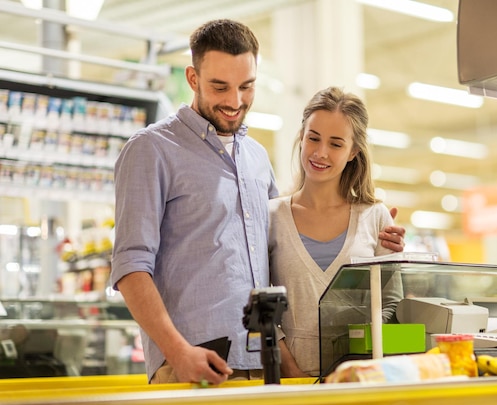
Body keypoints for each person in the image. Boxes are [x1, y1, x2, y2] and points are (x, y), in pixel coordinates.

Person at [110, 19, 406, 385]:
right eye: (220, 87)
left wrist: (379, 245)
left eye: (246, 86)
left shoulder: (255, 157)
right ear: (192, 78)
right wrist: (177, 352)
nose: (235, 102)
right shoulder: (151, 150)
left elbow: (274, 262)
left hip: (266, 366)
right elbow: (129, 267)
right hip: (194, 362)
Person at [268, 87, 404, 378]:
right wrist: (292, 371)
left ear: (353, 151)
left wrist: (357, 360)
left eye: (336, 144)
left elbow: (390, 302)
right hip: (287, 381)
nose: (320, 153)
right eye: (313, 138)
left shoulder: (374, 216)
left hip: (356, 380)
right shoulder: (271, 217)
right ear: (302, 137)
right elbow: (260, 309)